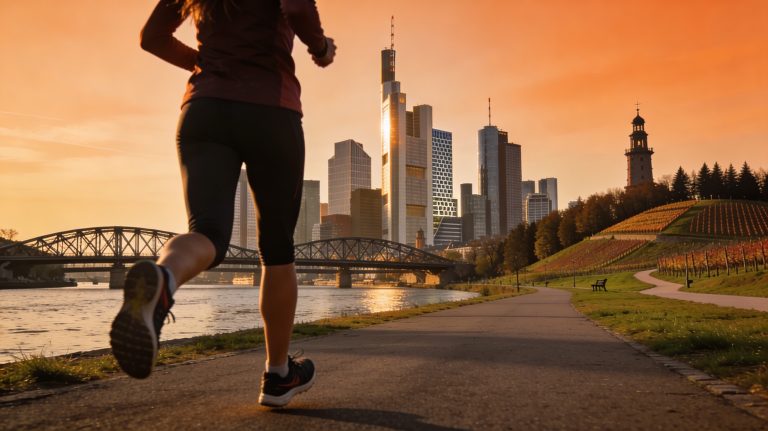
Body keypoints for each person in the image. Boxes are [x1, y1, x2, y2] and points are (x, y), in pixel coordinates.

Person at [109, 0, 336, 408]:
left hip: (204, 109)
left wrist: (205, 64)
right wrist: (321, 49)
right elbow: (299, 7)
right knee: (277, 250)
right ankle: (279, 374)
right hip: (271, 111)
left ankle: (163, 279)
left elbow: (151, 38)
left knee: (207, 231)